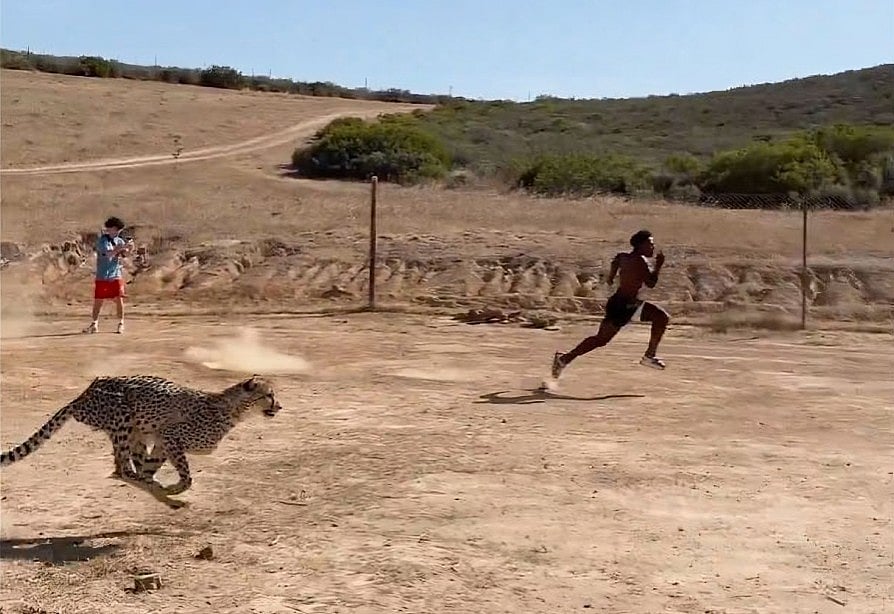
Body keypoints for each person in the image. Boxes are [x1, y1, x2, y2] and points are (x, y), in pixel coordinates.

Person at [550, 229, 670, 379]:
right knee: (661, 317)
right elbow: (651, 283)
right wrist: (659, 266)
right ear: (641, 245)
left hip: (621, 303)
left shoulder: (624, 257)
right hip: (625, 305)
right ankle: (649, 356)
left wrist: (611, 277)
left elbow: (616, 261)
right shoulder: (641, 261)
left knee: (601, 339)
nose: (653, 247)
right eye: (650, 244)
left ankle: (564, 359)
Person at [83, 216, 133, 334]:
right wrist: (121, 248)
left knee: (119, 298)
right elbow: (109, 254)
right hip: (102, 275)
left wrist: (128, 249)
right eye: (116, 229)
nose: (117, 232)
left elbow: (123, 255)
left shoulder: (119, 241)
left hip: (115, 274)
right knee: (98, 300)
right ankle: (94, 324)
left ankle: (121, 323)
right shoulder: (103, 241)